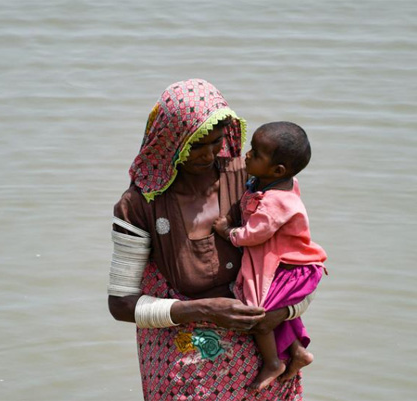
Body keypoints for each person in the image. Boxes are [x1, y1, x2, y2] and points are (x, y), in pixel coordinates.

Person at [108, 78, 313, 400]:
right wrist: (202, 310)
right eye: (194, 145)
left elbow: (302, 267)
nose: (207, 155)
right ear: (168, 142)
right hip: (182, 363)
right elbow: (121, 305)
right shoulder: (140, 204)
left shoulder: (255, 180)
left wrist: (282, 314)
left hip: (262, 356)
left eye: (215, 142)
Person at [213, 121, 328, 391]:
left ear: (278, 170)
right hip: (292, 263)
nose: (248, 155)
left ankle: (273, 362)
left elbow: (254, 234)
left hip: (289, 267)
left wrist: (227, 231)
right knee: (278, 307)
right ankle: (298, 352)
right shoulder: (277, 183)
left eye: (256, 153)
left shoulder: (276, 202)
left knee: (257, 314)